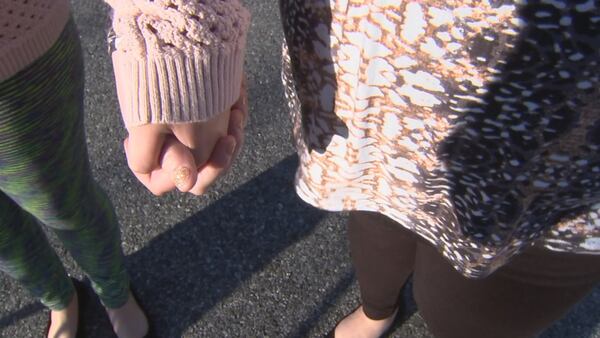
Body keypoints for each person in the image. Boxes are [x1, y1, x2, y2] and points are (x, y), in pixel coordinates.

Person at [107, 0, 600, 337]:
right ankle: (377, 308)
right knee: (375, 224)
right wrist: (182, 49)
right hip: (374, 81)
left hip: (562, 157)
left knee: (465, 310)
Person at [0, 0, 248, 337]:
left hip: (14, 62)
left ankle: (113, 292)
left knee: (64, 205)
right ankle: (57, 298)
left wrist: (181, 56)